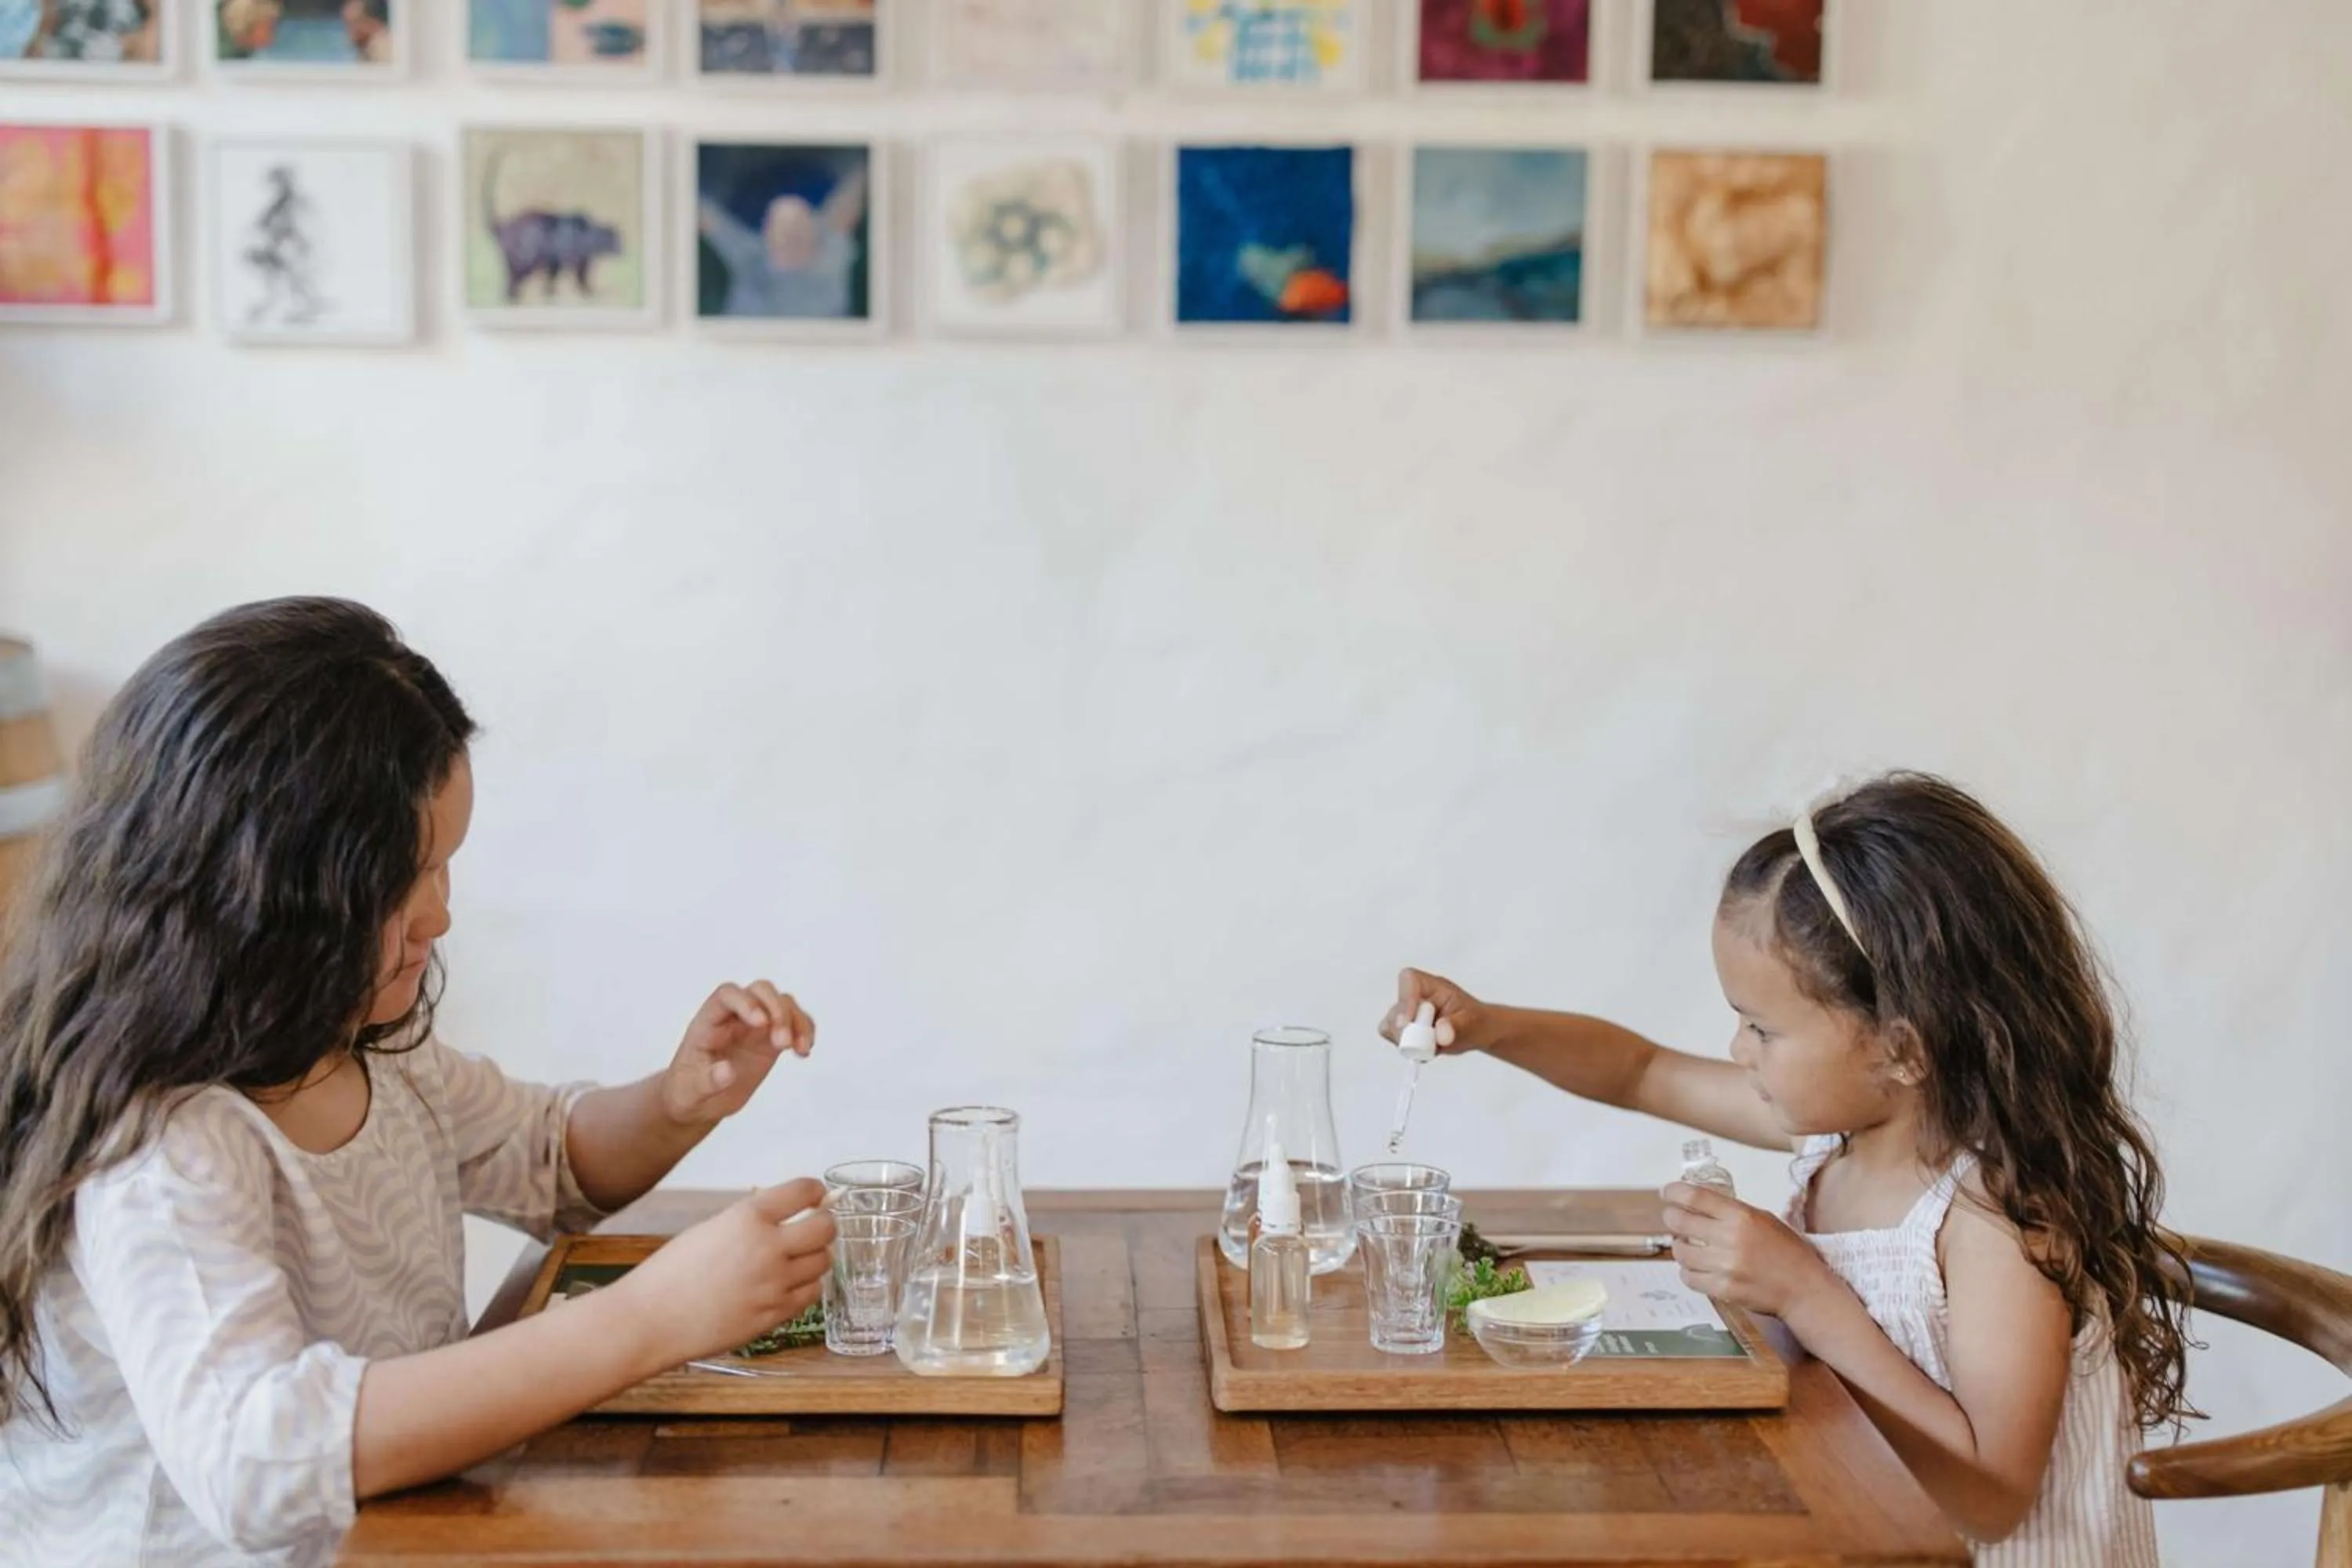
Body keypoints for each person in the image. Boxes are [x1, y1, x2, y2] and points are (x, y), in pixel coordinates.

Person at [0, 597, 838, 1566]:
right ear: (265, 889)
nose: (441, 913)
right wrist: (649, 1317)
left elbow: (549, 1157)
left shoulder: (369, 1050)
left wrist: (674, 1099)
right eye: (409, 873)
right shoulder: (161, 1140)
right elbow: (254, 1457)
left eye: (446, 864)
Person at [1385, 773, 2190, 1563]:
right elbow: (1638, 1070)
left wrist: (1803, 1290)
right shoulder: (1838, 1138)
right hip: (1857, 1525)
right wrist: (1491, 1026)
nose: (1739, 1050)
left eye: (1761, 1027)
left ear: (1902, 1047)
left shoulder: (1996, 1218)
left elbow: (1991, 1497)